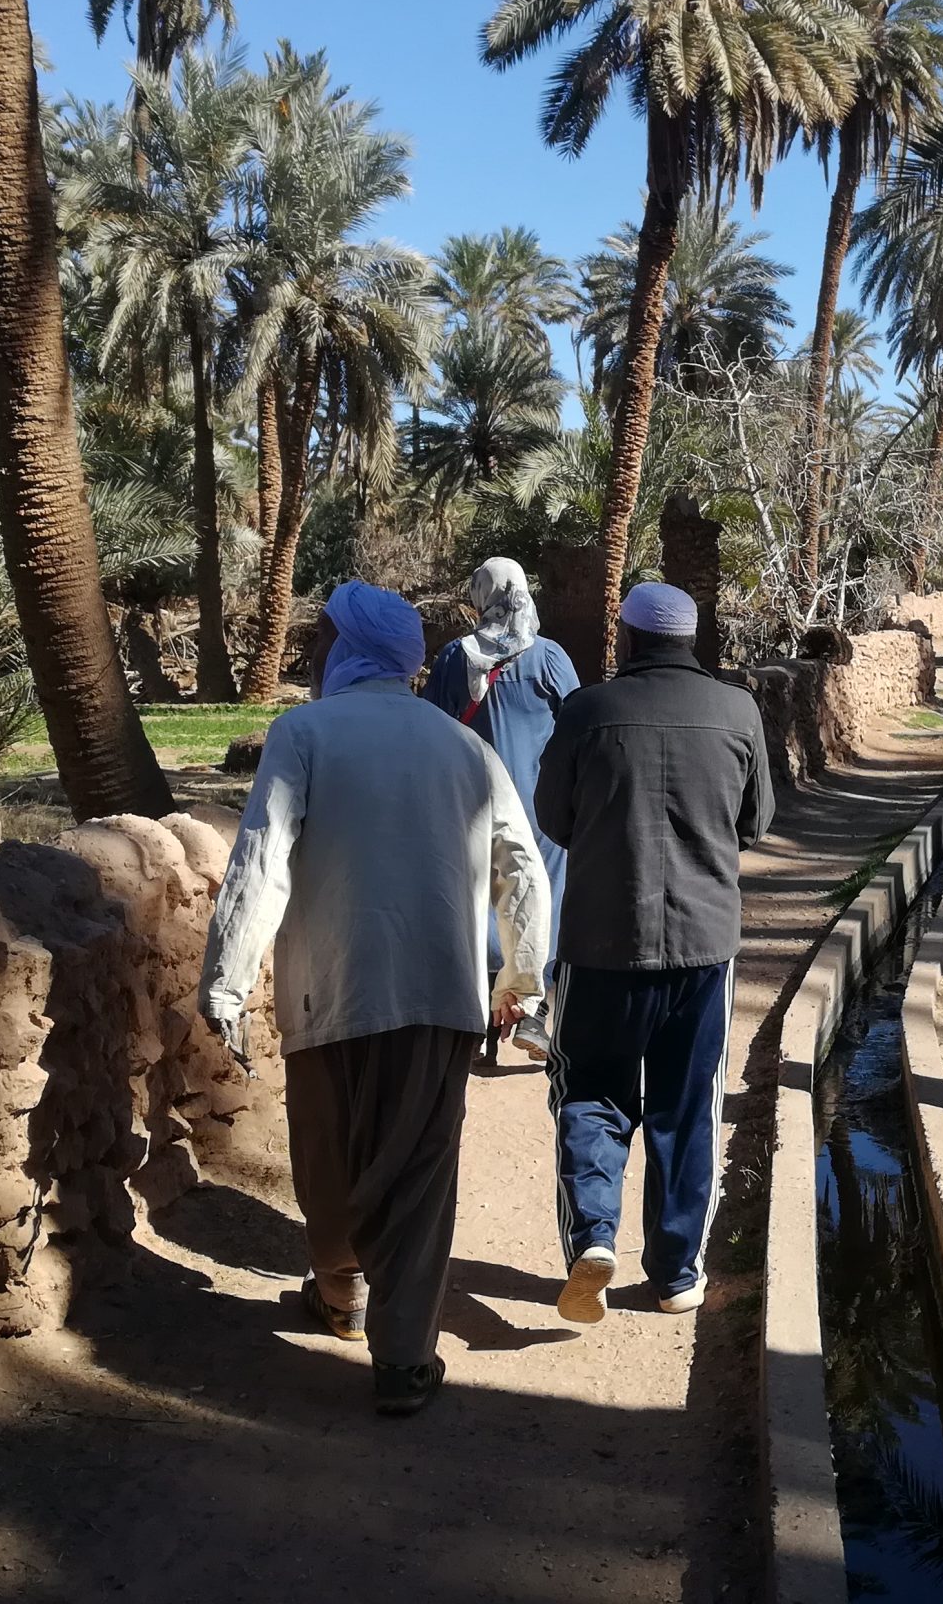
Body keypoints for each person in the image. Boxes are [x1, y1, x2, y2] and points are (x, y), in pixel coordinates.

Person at [200, 579, 550, 1416]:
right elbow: (522, 867)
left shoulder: (305, 733)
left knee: (330, 1160)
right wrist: (520, 979)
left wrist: (227, 982)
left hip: (331, 990)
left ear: (350, 649)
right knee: (419, 1178)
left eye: (324, 639)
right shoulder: (463, 747)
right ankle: (402, 1359)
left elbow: (260, 862)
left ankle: (344, 1293)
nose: (315, 652)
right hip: (440, 996)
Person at [533, 581, 775, 1324]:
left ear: (628, 637)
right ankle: (675, 1275)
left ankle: (593, 1237)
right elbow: (756, 821)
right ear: (691, 640)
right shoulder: (738, 711)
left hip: (600, 945)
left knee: (590, 1089)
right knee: (687, 1105)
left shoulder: (587, 711)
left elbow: (555, 817)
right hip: (704, 948)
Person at [423, 557, 581, 1060]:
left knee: (476, 901)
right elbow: (577, 724)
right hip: (539, 810)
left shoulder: (455, 658)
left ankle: (477, 1018)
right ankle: (532, 1011)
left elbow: (432, 727)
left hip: (471, 806)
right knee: (540, 897)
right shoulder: (549, 657)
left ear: (480, 597)